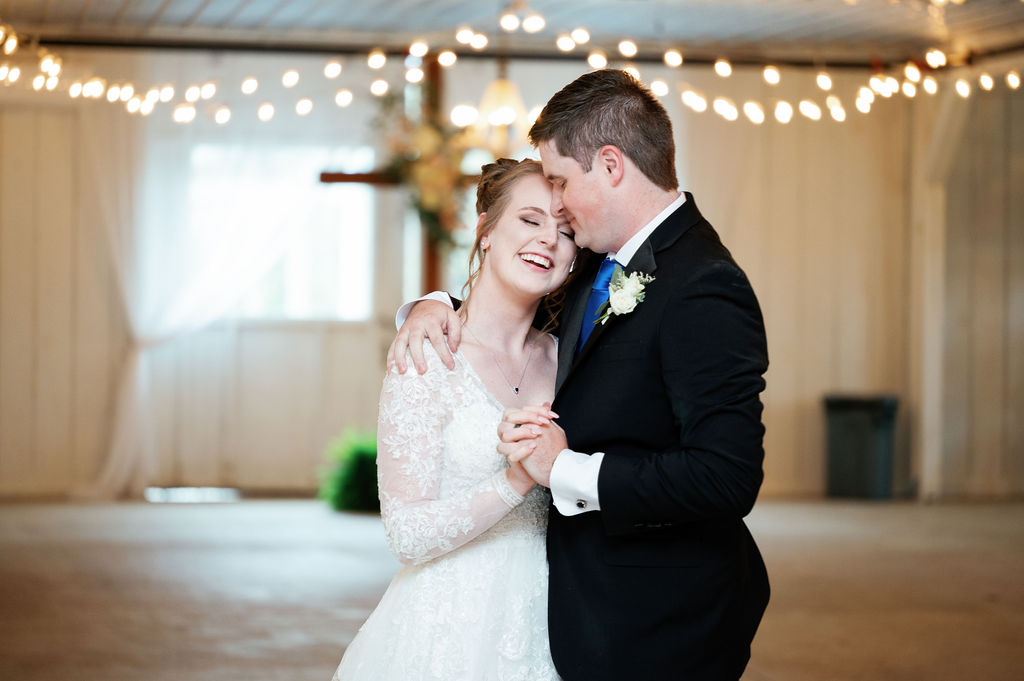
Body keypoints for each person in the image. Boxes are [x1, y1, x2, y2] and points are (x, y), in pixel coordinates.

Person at [388, 69, 770, 681]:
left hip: (662, 618)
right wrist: (432, 305)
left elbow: (727, 476)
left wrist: (559, 469)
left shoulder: (703, 285)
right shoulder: (598, 258)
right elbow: (510, 283)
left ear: (612, 166)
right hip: (572, 608)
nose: (558, 210)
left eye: (562, 183)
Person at [331, 158, 576, 680]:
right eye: (530, 220)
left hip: (555, 621)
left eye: (566, 230)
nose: (548, 240)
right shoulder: (428, 351)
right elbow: (407, 534)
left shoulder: (571, 360)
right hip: (446, 627)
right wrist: (517, 478)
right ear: (486, 231)